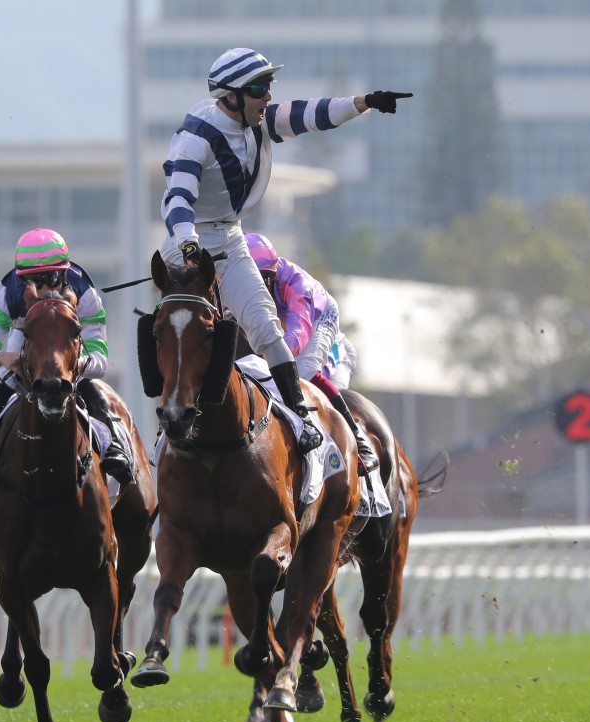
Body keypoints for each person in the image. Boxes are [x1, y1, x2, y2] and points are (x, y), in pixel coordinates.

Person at [160, 46, 411, 455]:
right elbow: (177, 201)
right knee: (181, 335)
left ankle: (299, 418)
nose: (269, 95)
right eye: (260, 87)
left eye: (269, 84)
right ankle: (162, 439)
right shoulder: (195, 135)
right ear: (232, 95)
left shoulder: (255, 119)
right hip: (185, 246)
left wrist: (365, 102)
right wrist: (188, 245)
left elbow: (310, 115)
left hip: (230, 238)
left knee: (268, 331)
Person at [0, 228, 133, 487]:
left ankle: (114, 447)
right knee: (1, 387)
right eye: (34, 281)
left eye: (52, 277)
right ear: (21, 279)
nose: (45, 288)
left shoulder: (84, 294)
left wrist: (77, 364)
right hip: (26, 342)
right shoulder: (8, 293)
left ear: (65, 273)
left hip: (69, 351)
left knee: (90, 387)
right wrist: (3, 358)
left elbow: (100, 358)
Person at [246, 232, 379, 472]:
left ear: (273, 273)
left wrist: (273, 360)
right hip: (288, 323)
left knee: (303, 370)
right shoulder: (236, 285)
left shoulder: (296, 283)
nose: (256, 289)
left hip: (319, 317)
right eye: (250, 281)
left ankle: (359, 439)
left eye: (262, 280)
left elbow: (299, 332)